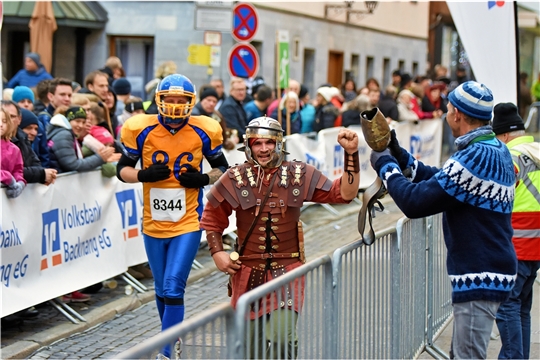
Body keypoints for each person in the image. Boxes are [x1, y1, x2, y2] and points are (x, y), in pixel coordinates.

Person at [369, 81, 517, 359]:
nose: (446, 114)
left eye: (448, 109)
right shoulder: (492, 148)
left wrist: (386, 167)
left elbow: (416, 202)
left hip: (480, 275)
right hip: (488, 271)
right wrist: (401, 157)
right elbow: (442, 181)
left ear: (458, 114)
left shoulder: (475, 157)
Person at [200, 117, 360, 358]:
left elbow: (344, 193)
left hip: (287, 271)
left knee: (282, 338)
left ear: (279, 143)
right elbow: (212, 217)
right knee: (248, 349)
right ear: (248, 145)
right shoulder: (236, 176)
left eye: (269, 142)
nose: (263, 149)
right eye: (257, 143)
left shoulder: (299, 173)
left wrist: (351, 155)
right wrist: (217, 252)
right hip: (248, 272)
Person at [116, 74, 229, 360]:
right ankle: (173, 338)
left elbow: (223, 169)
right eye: (171, 100)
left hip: (188, 221)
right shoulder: (141, 128)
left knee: (172, 285)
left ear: (191, 103)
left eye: (182, 101)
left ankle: (165, 352)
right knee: (160, 285)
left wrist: (203, 177)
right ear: (159, 101)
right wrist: (142, 174)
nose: (176, 106)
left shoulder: (204, 129)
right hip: (153, 222)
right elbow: (122, 169)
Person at [492, 102, 540, 360]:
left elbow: (497, 195)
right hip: (537, 247)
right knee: (522, 307)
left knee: (507, 307)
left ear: (506, 135)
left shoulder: (510, 156)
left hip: (517, 244)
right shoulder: (537, 151)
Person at [0, 108, 26, 198]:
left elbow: (18, 170)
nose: (1, 125)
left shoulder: (14, 149)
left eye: (4, 121)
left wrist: (20, 183)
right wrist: (8, 178)